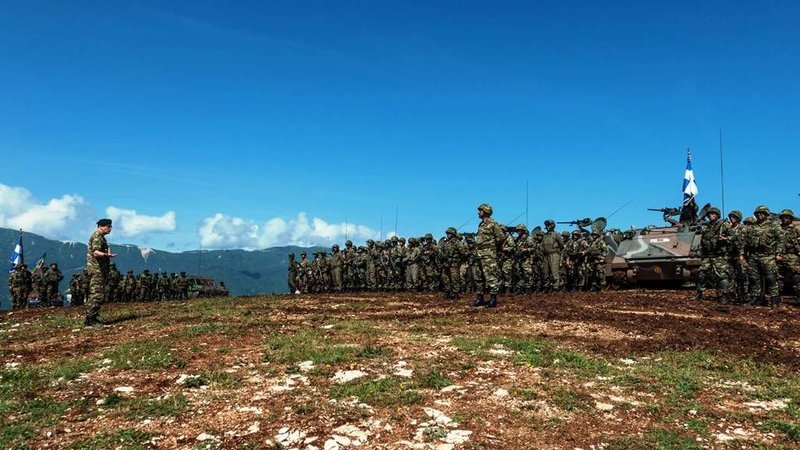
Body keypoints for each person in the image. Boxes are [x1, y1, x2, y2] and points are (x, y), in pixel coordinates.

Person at [741, 206, 783, 308]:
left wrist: (779, 253)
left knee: (771, 278)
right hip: (754, 256)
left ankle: (774, 300)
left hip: (768, 256)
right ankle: (755, 299)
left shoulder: (773, 226)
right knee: (754, 279)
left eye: (762, 213)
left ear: (766, 214)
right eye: (757, 213)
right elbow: (745, 242)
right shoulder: (752, 227)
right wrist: (741, 254)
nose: (759, 215)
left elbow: (781, 240)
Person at [695, 206, 734, 303]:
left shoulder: (723, 225)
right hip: (708, 255)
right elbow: (702, 240)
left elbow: (734, 237)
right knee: (701, 274)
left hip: (719, 255)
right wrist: (701, 253)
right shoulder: (706, 226)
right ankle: (699, 294)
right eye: (709, 214)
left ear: (717, 215)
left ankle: (725, 295)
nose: (711, 215)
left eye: (713, 214)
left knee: (723, 276)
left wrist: (725, 239)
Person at [85, 218, 116, 326]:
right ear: (101, 226)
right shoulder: (97, 237)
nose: (110, 229)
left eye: (110, 227)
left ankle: (92, 317)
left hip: (99, 269)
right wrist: (105, 255)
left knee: (98, 294)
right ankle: (90, 319)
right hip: (97, 270)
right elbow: (95, 252)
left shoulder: (101, 237)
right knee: (97, 295)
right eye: (108, 227)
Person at [474, 203, 506, 308]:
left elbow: (501, 237)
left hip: (489, 254)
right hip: (479, 254)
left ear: (486, 211)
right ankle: (480, 298)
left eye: (480, 210)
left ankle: (493, 299)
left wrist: (494, 247)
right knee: (479, 277)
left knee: (491, 276)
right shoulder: (481, 225)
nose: (478, 212)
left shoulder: (493, 224)